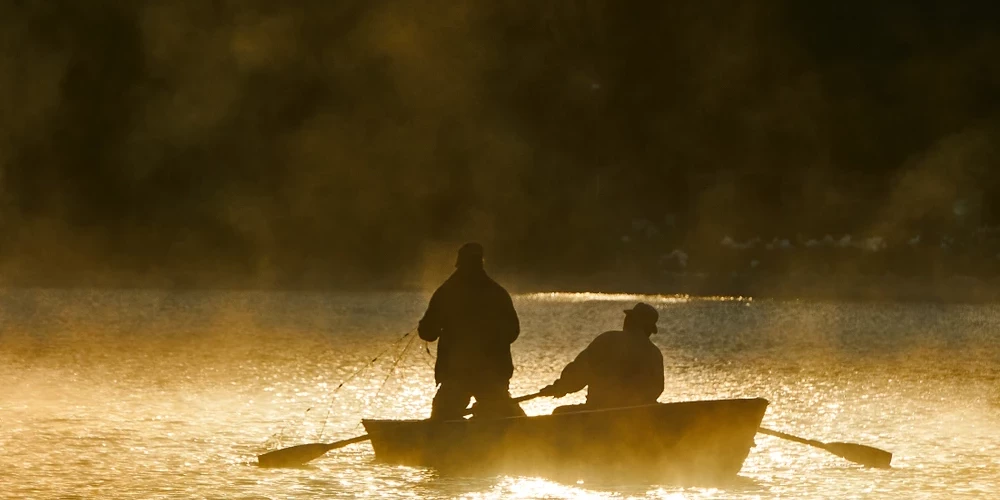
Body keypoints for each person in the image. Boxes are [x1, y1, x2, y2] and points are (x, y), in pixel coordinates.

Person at [418, 242, 526, 420]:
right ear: (481, 263)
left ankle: (438, 442)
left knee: (443, 418)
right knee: (502, 416)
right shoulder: (497, 293)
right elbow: (512, 332)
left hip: (457, 372)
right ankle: (519, 436)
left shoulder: (446, 292)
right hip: (493, 371)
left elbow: (428, 333)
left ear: (459, 264)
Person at [540, 302, 664, 412]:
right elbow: (657, 388)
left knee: (559, 412)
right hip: (637, 416)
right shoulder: (655, 353)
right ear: (649, 330)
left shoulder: (607, 340)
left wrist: (560, 387)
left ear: (630, 321)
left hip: (598, 411)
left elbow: (579, 373)